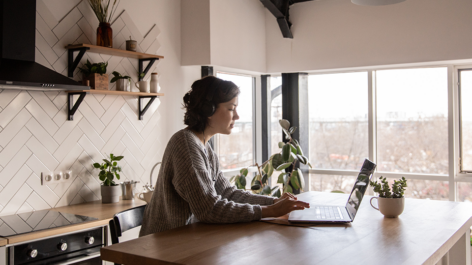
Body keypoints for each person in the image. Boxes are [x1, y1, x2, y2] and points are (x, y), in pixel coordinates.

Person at [139, 76, 309, 236]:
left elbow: (227, 193)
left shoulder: (203, 146)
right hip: (162, 248)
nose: (237, 116)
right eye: (231, 109)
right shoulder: (186, 146)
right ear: (208, 110)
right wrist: (270, 211)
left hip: (188, 240)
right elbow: (209, 209)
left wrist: (274, 202)